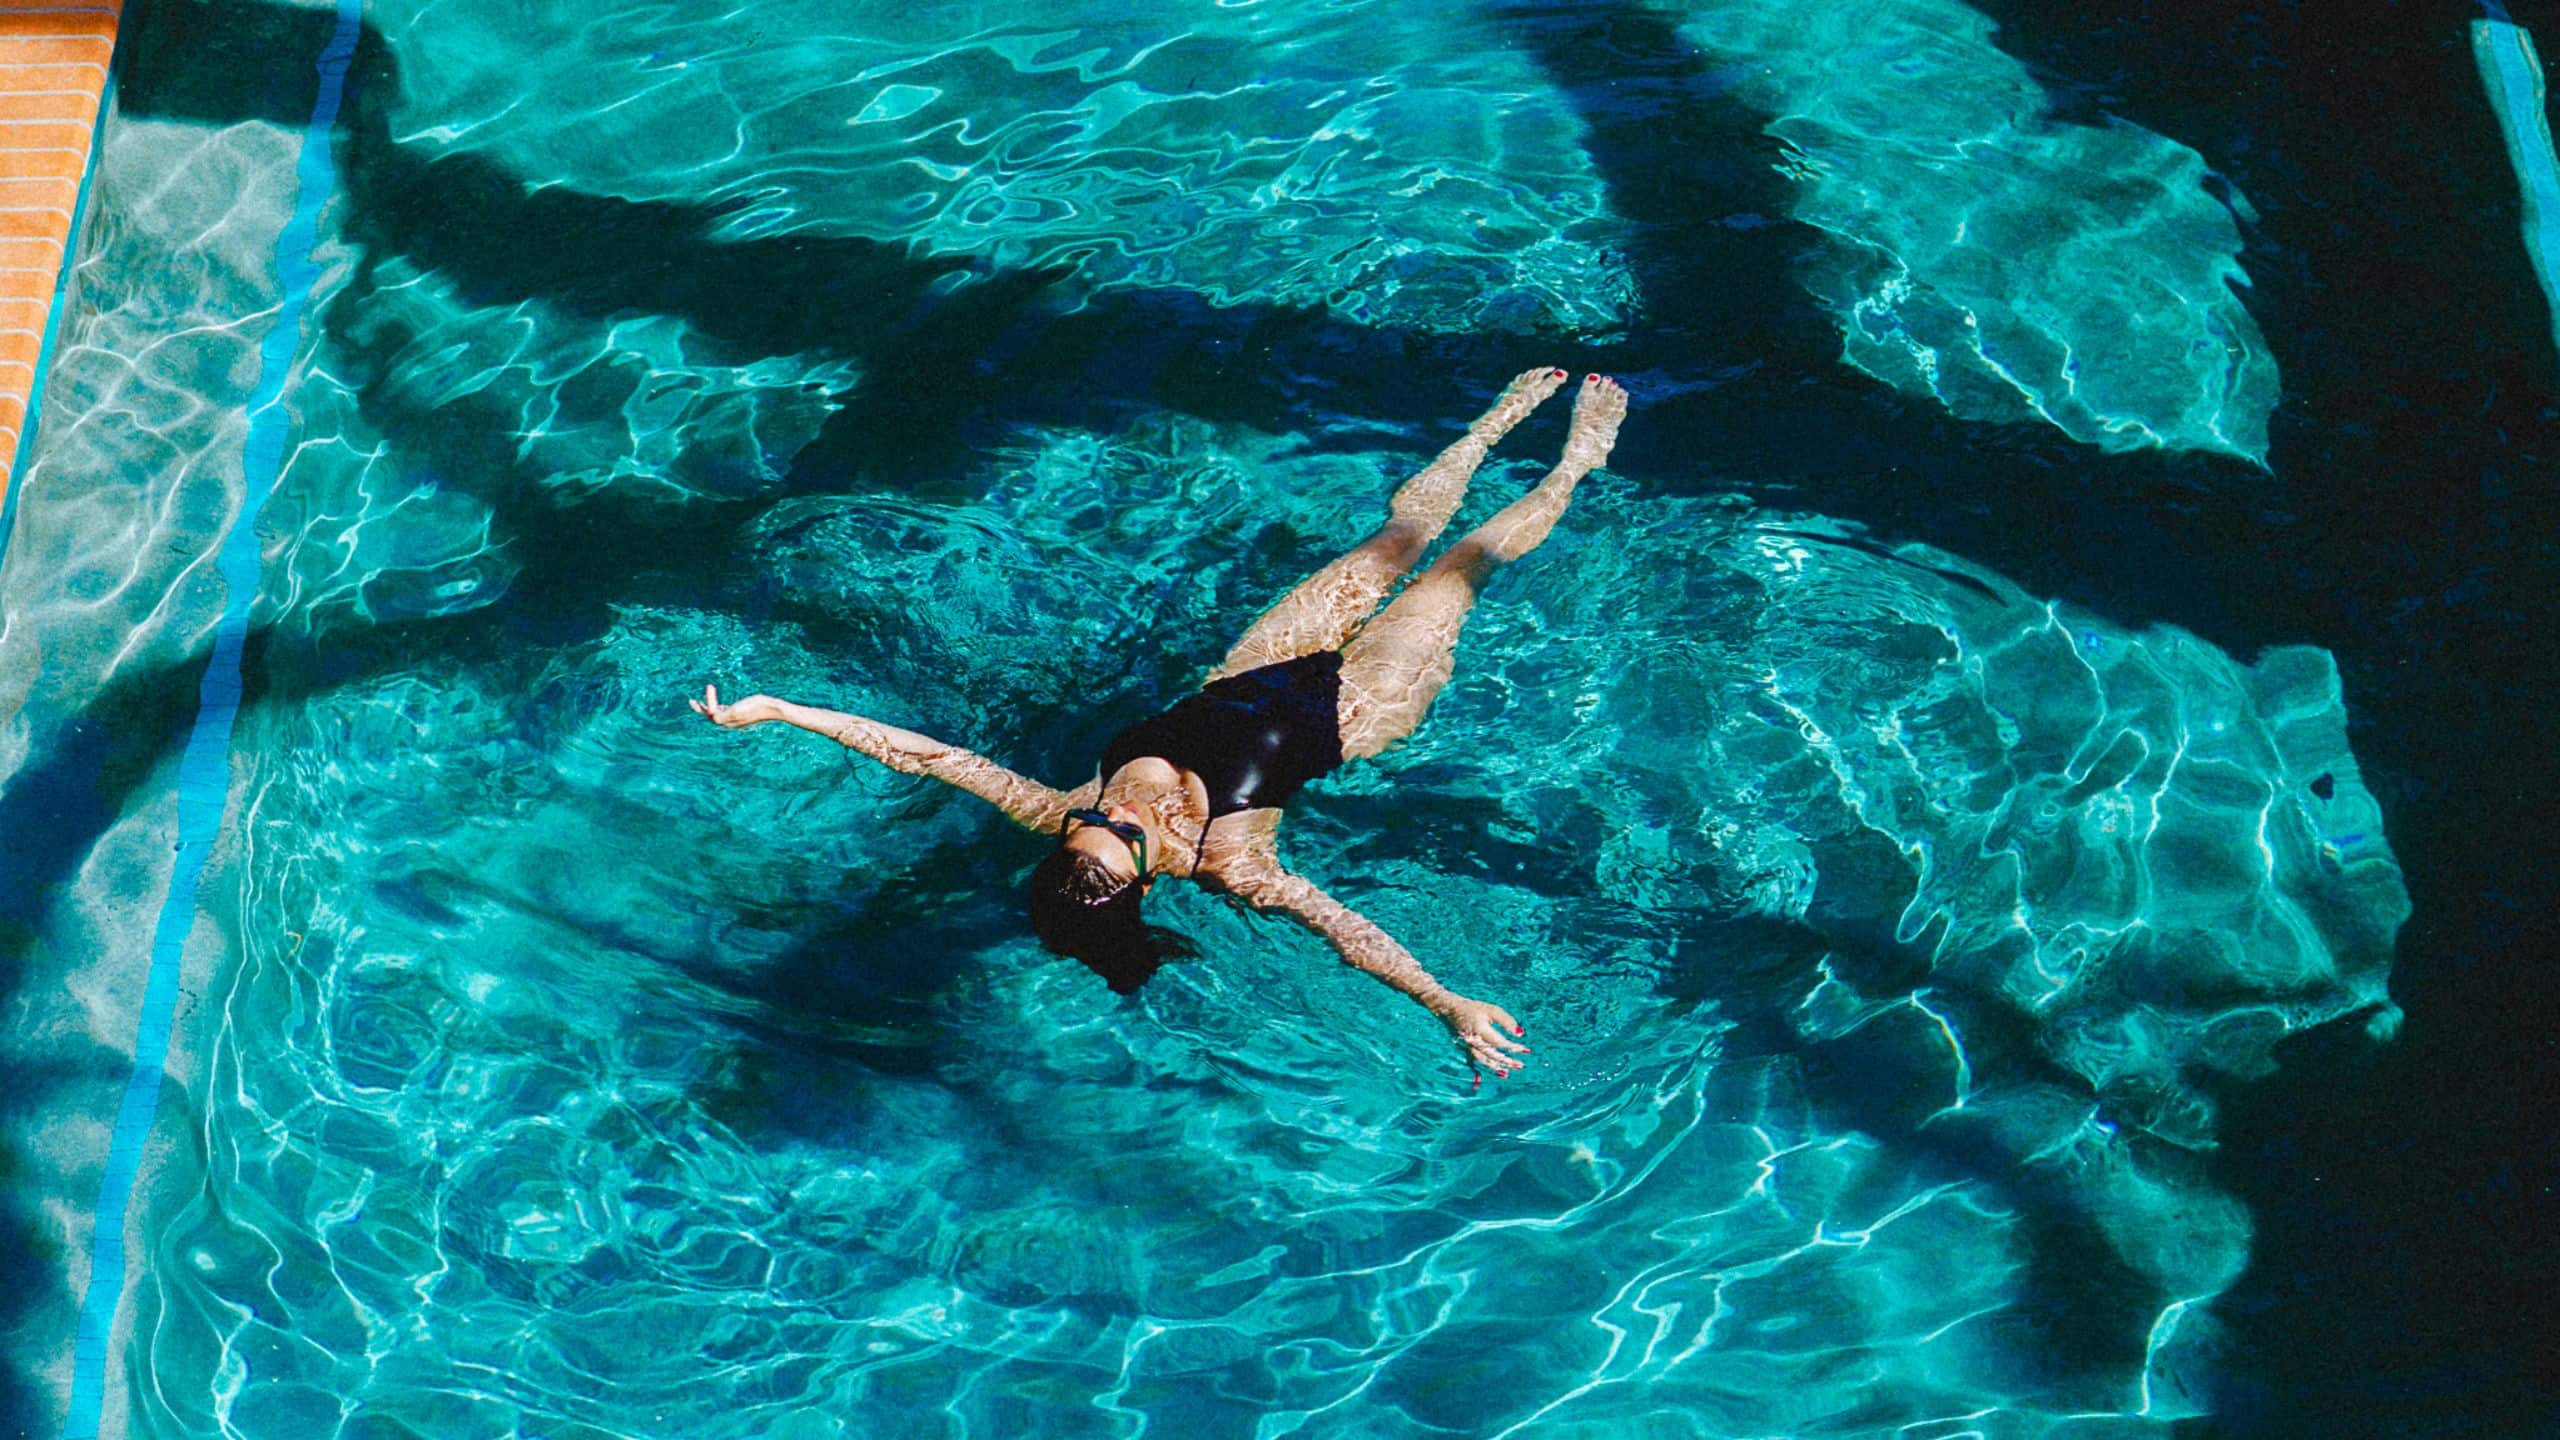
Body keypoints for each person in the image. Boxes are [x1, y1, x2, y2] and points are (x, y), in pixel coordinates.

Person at [693, 369, 1627, 1081]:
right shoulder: (1231, 864)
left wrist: (776, 709)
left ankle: (1488, 426)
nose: (1116, 813)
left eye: (1093, 826)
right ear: (1143, 876)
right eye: (1122, 838)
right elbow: (1343, 929)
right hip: (1353, 713)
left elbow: (922, 755)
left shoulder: (1056, 808)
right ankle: (1576, 461)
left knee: (1388, 545)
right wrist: (1445, 1003)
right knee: (1458, 567)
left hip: (1254, 671)